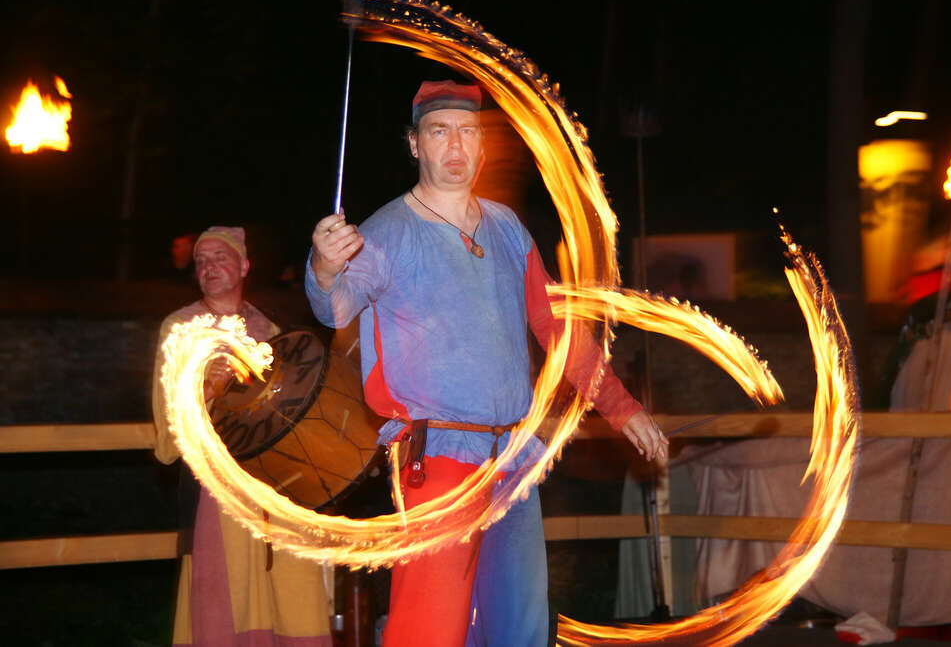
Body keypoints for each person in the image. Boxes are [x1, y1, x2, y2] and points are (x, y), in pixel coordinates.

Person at [305, 80, 667, 647]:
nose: (455, 146)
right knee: (430, 629)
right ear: (414, 144)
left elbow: (555, 328)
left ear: (483, 146)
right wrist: (324, 268)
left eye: (468, 132)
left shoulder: (506, 228)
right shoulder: (385, 234)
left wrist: (620, 408)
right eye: (439, 131)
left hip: (514, 460)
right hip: (439, 461)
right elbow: (336, 305)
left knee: (516, 627)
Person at [151, 225, 333, 647]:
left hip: (277, 486)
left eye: (220, 258)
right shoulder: (180, 329)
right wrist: (208, 390)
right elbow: (166, 434)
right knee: (224, 604)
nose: (209, 267)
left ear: (244, 265)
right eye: (201, 261)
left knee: (290, 595)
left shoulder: (269, 330)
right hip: (218, 492)